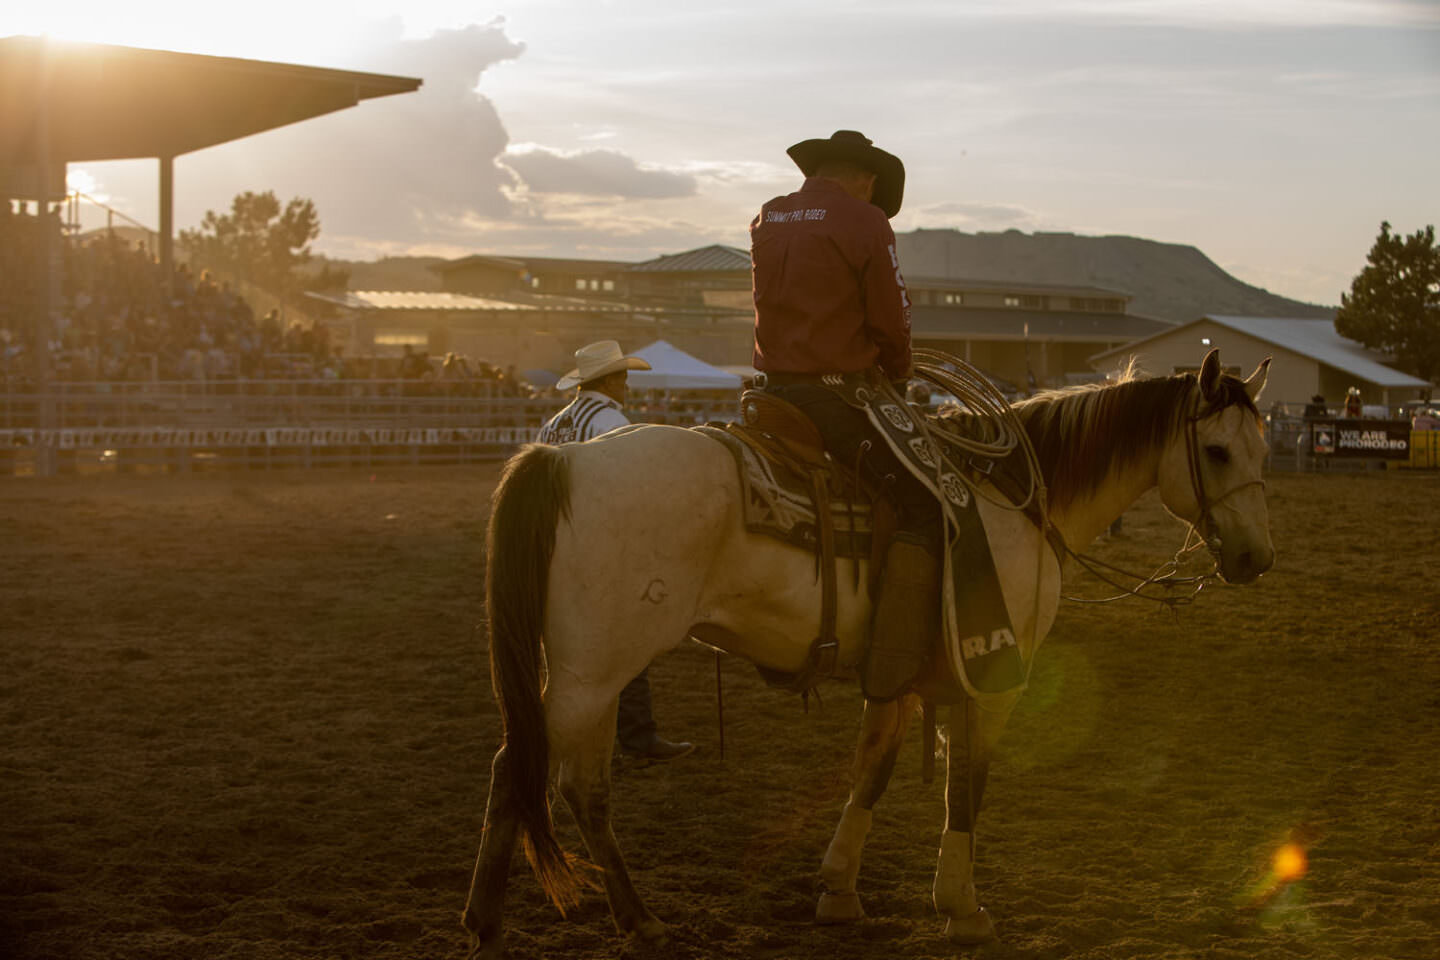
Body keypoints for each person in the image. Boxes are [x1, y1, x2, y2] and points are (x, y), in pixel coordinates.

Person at [749, 129, 941, 701]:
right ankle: (893, 657)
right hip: (835, 400)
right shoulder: (863, 221)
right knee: (927, 502)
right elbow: (891, 314)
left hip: (768, 399)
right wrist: (898, 372)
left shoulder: (767, 217)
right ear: (865, 178)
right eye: (874, 187)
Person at [537, 340, 695, 762]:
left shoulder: (553, 424)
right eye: (622, 375)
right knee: (630, 641)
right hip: (599, 548)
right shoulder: (610, 422)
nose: (627, 382)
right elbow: (631, 491)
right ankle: (637, 734)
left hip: (552, 548)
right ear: (606, 379)